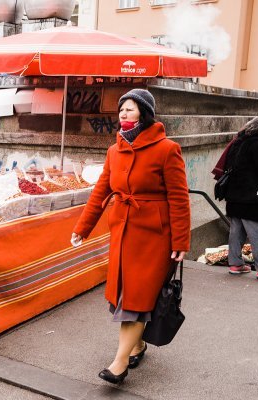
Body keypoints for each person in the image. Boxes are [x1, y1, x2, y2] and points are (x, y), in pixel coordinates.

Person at [71, 89, 191, 384]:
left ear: (145, 113)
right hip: (123, 233)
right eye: (121, 109)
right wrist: (81, 228)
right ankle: (137, 345)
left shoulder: (167, 149)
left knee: (137, 301)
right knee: (123, 297)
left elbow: (179, 198)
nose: (123, 114)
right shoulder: (115, 150)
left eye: (131, 109)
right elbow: (101, 190)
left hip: (155, 238)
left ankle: (119, 363)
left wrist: (181, 242)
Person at [223, 116, 258, 280]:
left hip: (234, 196)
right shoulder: (257, 143)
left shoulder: (238, 141)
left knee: (237, 232)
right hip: (251, 198)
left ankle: (235, 264)